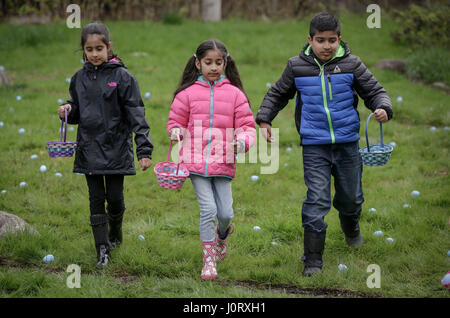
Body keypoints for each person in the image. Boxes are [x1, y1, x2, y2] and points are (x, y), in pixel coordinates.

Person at [256, 12, 393, 276]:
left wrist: (383, 107)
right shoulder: (297, 66)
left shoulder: (352, 64)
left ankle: (351, 227)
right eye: (320, 40)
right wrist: (264, 119)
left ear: (340, 39)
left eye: (332, 40)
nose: (326, 46)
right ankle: (313, 260)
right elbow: (277, 93)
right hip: (314, 146)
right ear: (310, 40)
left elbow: (375, 90)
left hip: (348, 145)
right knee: (317, 199)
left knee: (351, 198)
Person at [58, 22, 153, 268]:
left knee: (115, 198)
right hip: (89, 149)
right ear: (83, 50)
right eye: (89, 49)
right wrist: (68, 110)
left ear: (108, 47)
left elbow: (136, 113)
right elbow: (78, 110)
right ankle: (102, 250)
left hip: (116, 149)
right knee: (95, 199)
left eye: (99, 48)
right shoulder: (79, 78)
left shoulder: (123, 77)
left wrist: (143, 149)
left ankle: (115, 231)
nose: (94, 54)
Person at [167, 39, 256, 280]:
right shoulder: (187, 94)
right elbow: (175, 121)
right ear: (198, 64)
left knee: (225, 213)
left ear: (225, 63)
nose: (214, 67)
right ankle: (209, 261)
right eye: (208, 62)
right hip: (195, 162)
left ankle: (222, 237)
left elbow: (247, 126)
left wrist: (242, 142)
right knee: (208, 209)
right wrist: (176, 131)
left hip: (224, 160)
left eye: (218, 62)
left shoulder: (236, 95)